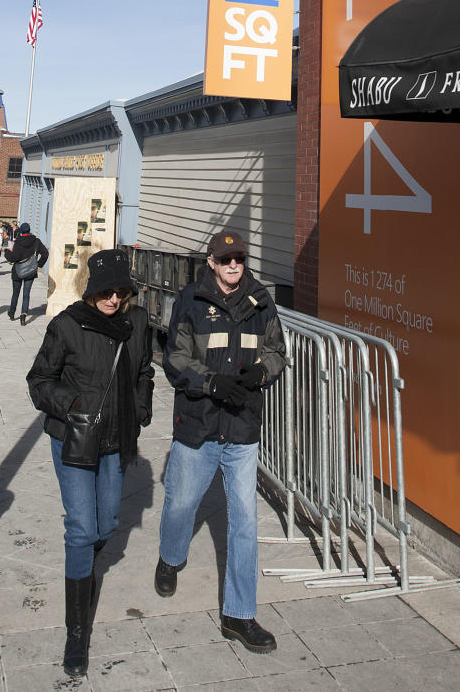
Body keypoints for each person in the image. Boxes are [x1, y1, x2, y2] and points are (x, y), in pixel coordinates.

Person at [155, 229, 286, 654]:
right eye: (226, 259)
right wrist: (212, 384)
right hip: (199, 425)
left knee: (245, 520)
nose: (234, 265)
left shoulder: (260, 300)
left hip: (243, 428)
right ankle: (171, 558)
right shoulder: (190, 301)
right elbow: (175, 359)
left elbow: (277, 351)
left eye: (239, 258)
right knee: (181, 503)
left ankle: (239, 614)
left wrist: (260, 373)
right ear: (210, 261)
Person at [27, 248, 153, 678]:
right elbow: (39, 381)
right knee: (81, 530)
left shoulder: (137, 325)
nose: (113, 300)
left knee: (106, 525)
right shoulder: (66, 326)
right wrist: (72, 403)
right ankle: (76, 631)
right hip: (76, 441)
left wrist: (140, 409)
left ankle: (85, 567)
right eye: (105, 291)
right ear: (90, 289)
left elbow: (144, 373)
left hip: (118, 441)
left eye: (121, 291)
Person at [4, 221, 49, 324]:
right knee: (26, 293)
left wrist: (7, 252)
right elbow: (45, 253)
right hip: (30, 271)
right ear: (29, 230)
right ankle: (23, 314)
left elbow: (12, 258)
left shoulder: (17, 242)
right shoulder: (36, 241)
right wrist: (39, 264)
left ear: (21, 231)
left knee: (15, 293)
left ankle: (12, 312)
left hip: (17, 271)